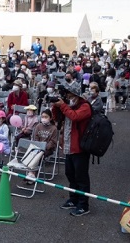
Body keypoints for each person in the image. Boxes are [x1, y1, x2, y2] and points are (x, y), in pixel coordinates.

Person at [52, 85, 92, 217]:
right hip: (69, 146)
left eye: (70, 95)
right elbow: (57, 119)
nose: (69, 98)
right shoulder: (68, 106)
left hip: (80, 148)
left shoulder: (85, 106)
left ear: (77, 96)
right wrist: (56, 105)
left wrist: (63, 105)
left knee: (81, 177)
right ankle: (73, 199)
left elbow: (74, 117)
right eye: (67, 96)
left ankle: (83, 205)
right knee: (70, 175)